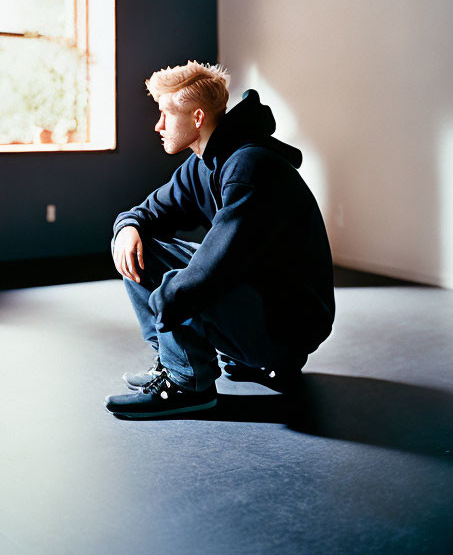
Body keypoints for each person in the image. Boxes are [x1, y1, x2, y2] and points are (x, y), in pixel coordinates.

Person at [104, 60, 335, 419]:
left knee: (180, 286)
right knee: (140, 246)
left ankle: (187, 385)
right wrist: (128, 228)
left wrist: (166, 299)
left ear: (197, 118)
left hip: (287, 325)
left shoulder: (250, 168)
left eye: (166, 114)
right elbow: (147, 213)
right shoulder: (203, 164)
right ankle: (173, 362)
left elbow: (215, 270)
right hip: (259, 297)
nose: (158, 125)